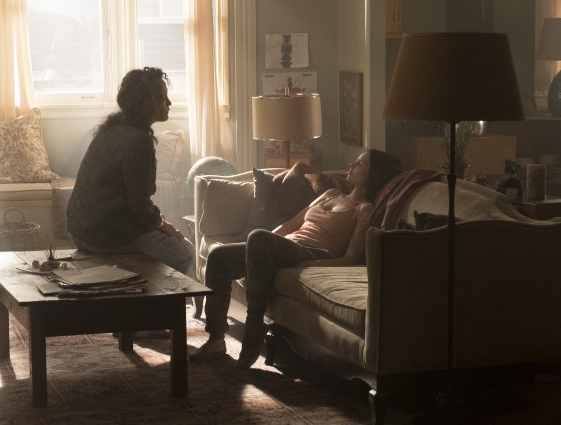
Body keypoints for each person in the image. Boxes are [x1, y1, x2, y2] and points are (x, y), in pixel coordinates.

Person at [189, 149, 402, 368]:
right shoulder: (330, 194)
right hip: (283, 246)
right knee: (218, 256)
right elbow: (292, 224)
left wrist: (313, 264)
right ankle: (216, 340)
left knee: (259, 238)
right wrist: (259, 243)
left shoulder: (364, 209)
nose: (351, 165)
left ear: (373, 175)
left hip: (312, 251)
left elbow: (350, 258)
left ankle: (254, 324)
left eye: (360, 164)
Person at [67, 67, 194, 275]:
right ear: (145, 103)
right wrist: (161, 223)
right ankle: (148, 294)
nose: (169, 103)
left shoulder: (111, 128)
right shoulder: (137, 142)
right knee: (185, 252)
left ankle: (139, 287)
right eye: (163, 98)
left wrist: (157, 221)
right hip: (102, 236)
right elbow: (140, 207)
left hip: (79, 231)